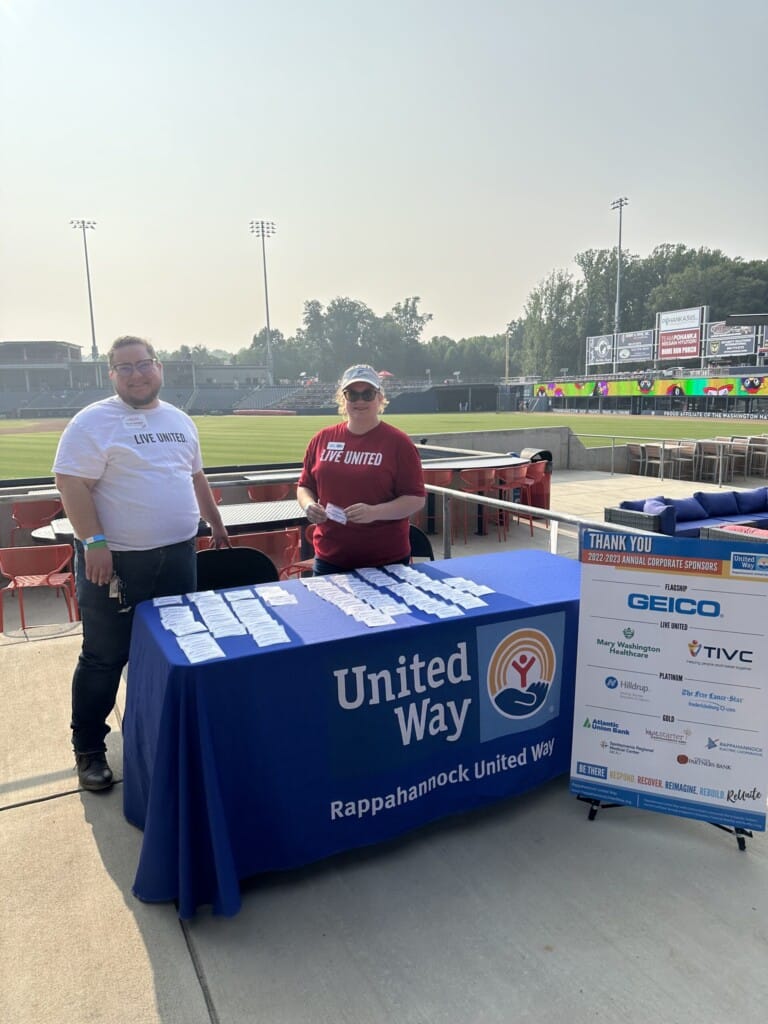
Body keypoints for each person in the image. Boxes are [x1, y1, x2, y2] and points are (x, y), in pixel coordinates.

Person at [53, 335, 229, 791]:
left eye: (143, 364)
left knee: (173, 651)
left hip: (177, 555)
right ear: (112, 375)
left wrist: (214, 521)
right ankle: (89, 747)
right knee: (104, 658)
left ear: (159, 368)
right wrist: (93, 541)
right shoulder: (93, 421)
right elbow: (69, 481)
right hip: (114, 564)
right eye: (124, 367)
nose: (136, 373)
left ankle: (161, 734)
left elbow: (194, 475)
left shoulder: (179, 420)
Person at [296, 364, 425, 574]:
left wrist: (375, 512)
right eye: (352, 395)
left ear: (379, 398)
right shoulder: (322, 439)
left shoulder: (398, 443)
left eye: (368, 394)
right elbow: (304, 486)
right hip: (330, 558)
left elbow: (416, 499)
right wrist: (309, 505)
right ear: (343, 398)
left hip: (386, 561)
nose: (360, 401)